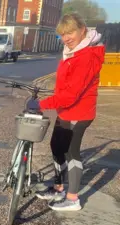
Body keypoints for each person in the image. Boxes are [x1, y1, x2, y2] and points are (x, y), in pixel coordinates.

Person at [26, 13, 105, 211]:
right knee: (56, 146)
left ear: (82, 30)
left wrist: (42, 104)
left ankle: (72, 199)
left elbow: (72, 94)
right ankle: (59, 188)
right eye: (63, 34)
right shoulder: (72, 52)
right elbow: (64, 87)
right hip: (66, 110)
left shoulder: (87, 55)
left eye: (70, 32)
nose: (66, 37)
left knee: (71, 153)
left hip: (79, 112)